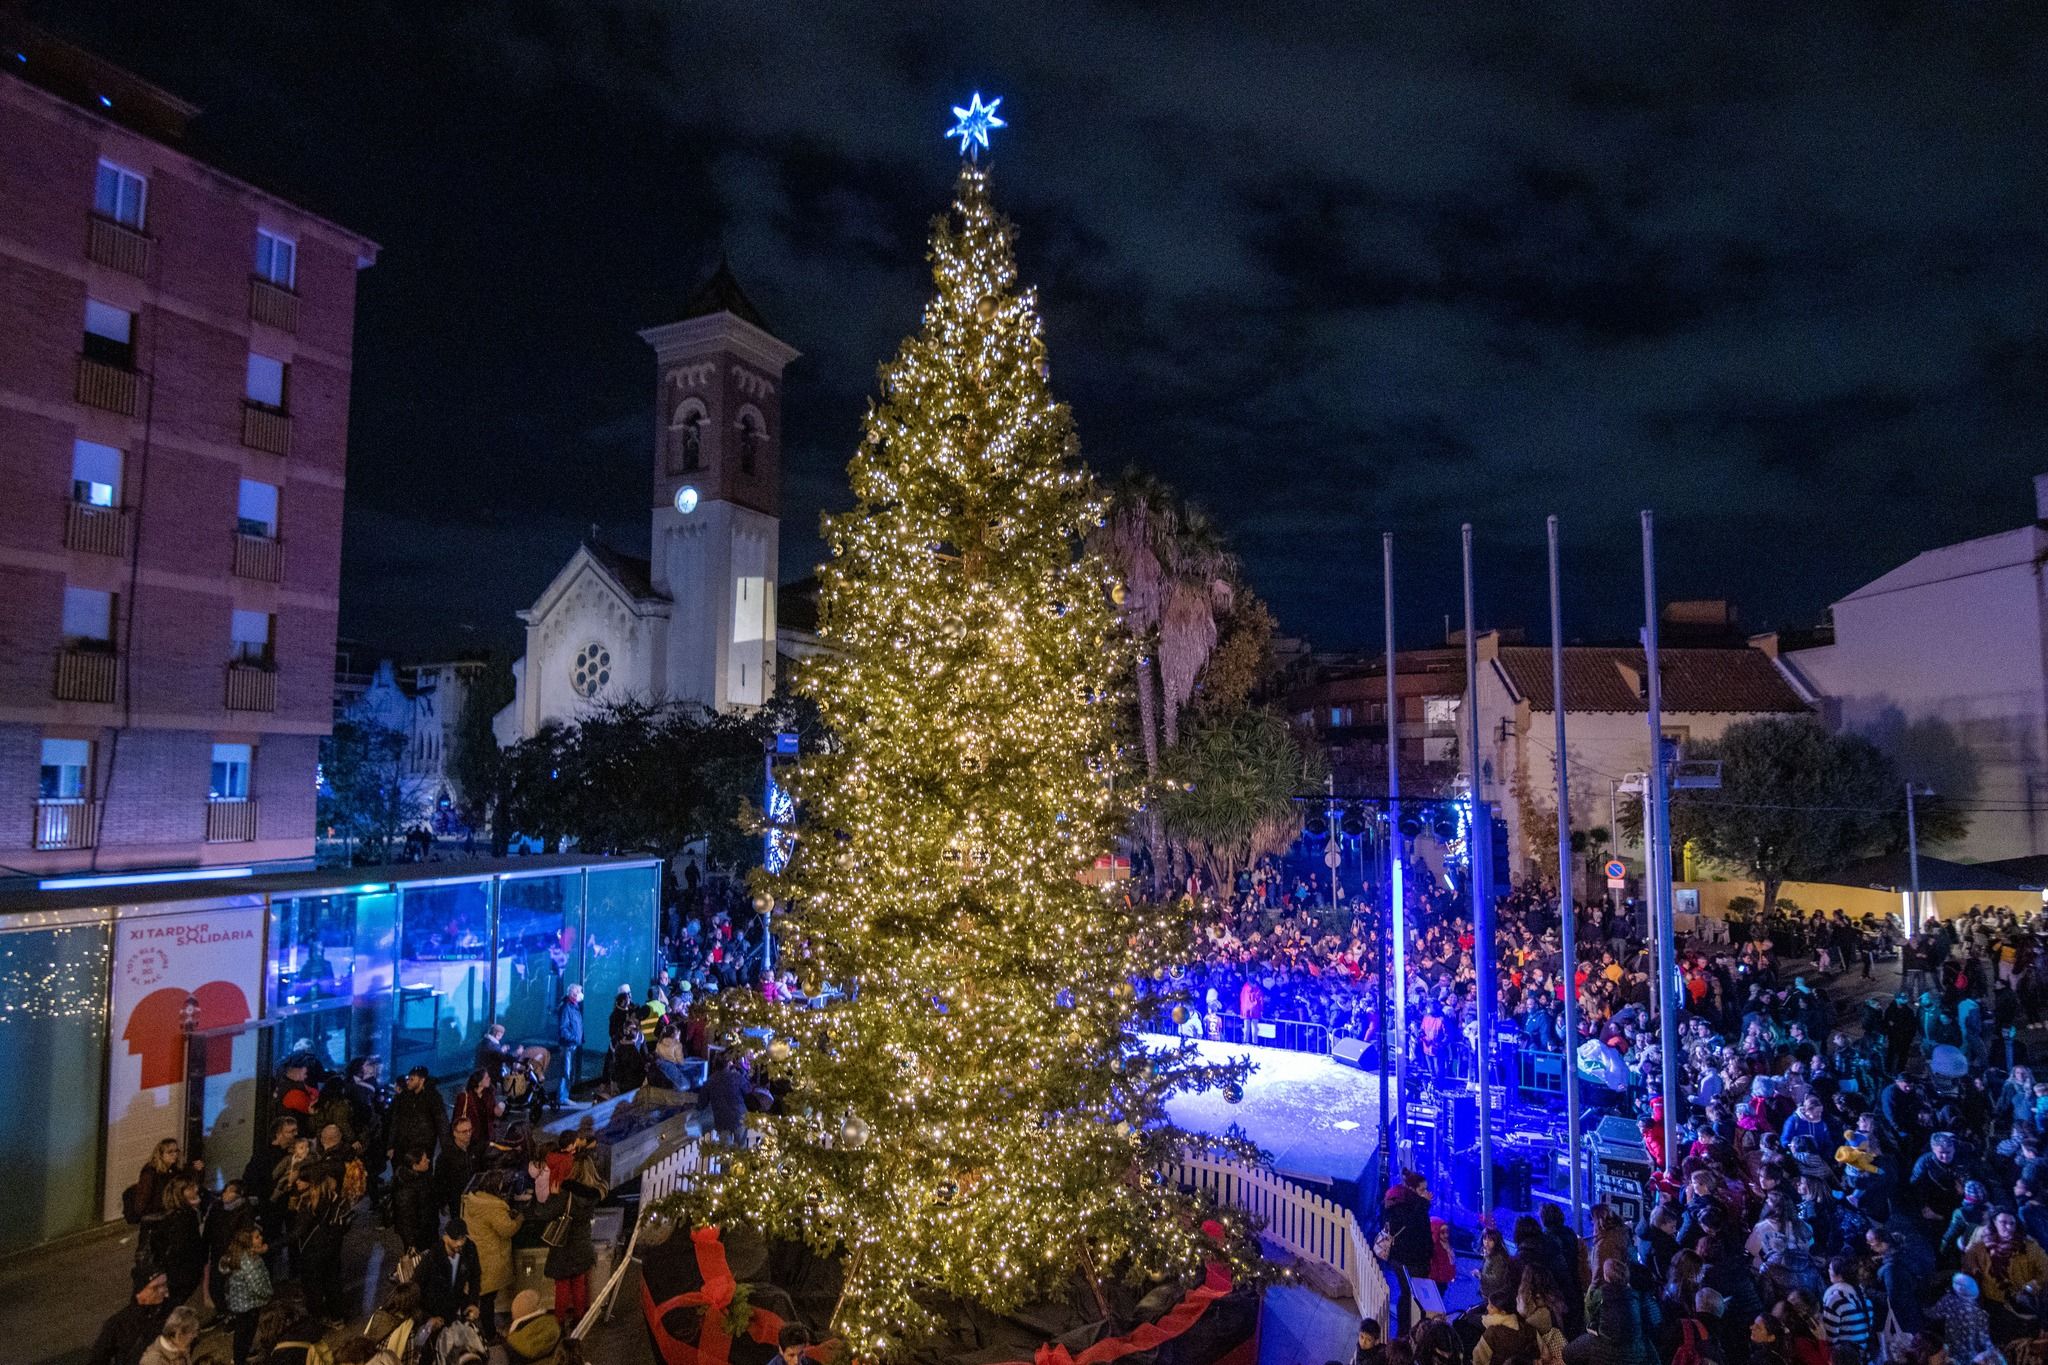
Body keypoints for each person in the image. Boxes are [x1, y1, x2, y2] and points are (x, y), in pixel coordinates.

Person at [537, 1139, 603, 1324]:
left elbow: (545, 1213)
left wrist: (553, 1195)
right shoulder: (592, 1193)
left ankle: (558, 1322)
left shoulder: (566, 1192)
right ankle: (579, 1319)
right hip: (582, 1242)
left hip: (564, 1245)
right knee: (579, 1283)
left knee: (563, 1285)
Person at [462, 1169, 526, 1330]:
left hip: (476, 1252)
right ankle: (489, 1332)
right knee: (487, 1298)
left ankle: (469, 1325)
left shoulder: (473, 1200)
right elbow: (507, 1230)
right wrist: (519, 1219)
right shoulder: (493, 1207)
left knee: (478, 1293)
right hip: (490, 1255)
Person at [87, 1270, 171, 1365]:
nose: (165, 1292)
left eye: (165, 1285)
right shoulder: (119, 1323)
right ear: (140, 1293)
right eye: (155, 1288)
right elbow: (98, 1359)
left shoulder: (173, 1317)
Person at [219, 1226, 273, 1365]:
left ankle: (241, 1355)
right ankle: (240, 1358)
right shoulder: (250, 1262)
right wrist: (268, 1294)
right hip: (250, 1303)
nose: (261, 1237)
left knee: (242, 1331)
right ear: (248, 1243)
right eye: (256, 1237)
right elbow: (257, 1285)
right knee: (246, 1331)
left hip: (239, 1302)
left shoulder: (237, 1255)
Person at [419, 1217, 482, 1327]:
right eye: (454, 1239)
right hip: (435, 1310)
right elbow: (418, 1286)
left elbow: (475, 1276)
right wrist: (427, 1318)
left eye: (462, 1238)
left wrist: (473, 1303)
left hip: (455, 1307)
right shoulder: (433, 1256)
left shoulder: (469, 1249)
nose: (459, 1243)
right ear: (445, 1237)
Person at [387, 1066, 447, 1163]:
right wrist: (391, 1145)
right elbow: (396, 1121)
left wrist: (446, 1148)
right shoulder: (404, 1097)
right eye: (408, 1079)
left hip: (424, 1146)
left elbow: (441, 1122)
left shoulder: (432, 1098)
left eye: (412, 1079)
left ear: (422, 1080)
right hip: (404, 1145)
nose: (408, 1082)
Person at [390, 1146, 441, 1254]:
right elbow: (406, 1218)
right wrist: (411, 1242)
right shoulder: (406, 1188)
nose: (428, 1160)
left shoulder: (424, 1176)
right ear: (415, 1166)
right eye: (424, 1160)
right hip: (419, 1236)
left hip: (428, 1229)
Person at [437, 1115, 479, 1222]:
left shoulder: (473, 1148)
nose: (468, 1134)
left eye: (470, 1130)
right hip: (456, 1199)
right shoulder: (446, 1156)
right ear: (455, 1133)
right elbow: (440, 1181)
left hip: (473, 1196)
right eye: (464, 1132)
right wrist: (443, 1203)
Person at [555, 984, 585, 1110]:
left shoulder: (574, 1006)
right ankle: (562, 1097)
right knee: (565, 1071)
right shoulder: (567, 1007)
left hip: (572, 1044)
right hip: (568, 1045)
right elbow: (564, 1028)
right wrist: (574, 1038)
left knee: (568, 1071)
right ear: (573, 994)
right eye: (579, 992)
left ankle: (565, 1094)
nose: (581, 994)